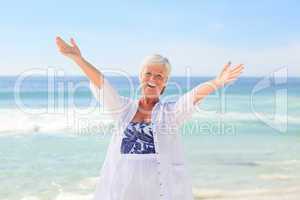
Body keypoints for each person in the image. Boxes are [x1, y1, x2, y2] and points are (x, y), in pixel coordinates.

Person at [55, 36, 244, 200]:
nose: (153, 79)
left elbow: (192, 97)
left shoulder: (170, 114)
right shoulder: (123, 109)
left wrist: (217, 82)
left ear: (165, 83)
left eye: (159, 76)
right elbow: (102, 84)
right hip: (123, 191)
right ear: (140, 77)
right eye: (148, 74)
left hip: (158, 192)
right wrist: (78, 59)